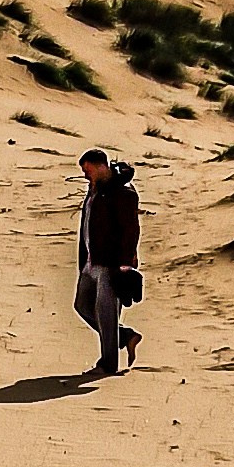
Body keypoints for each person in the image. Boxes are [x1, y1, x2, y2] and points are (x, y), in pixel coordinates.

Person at [74, 149, 142, 375]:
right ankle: (126, 337)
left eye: (88, 171)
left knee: (106, 314)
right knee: (82, 306)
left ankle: (108, 364)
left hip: (111, 264)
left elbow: (130, 230)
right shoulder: (95, 189)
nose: (85, 176)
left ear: (101, 166)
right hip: (91, 261)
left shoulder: (123, 192)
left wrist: (125, 265)